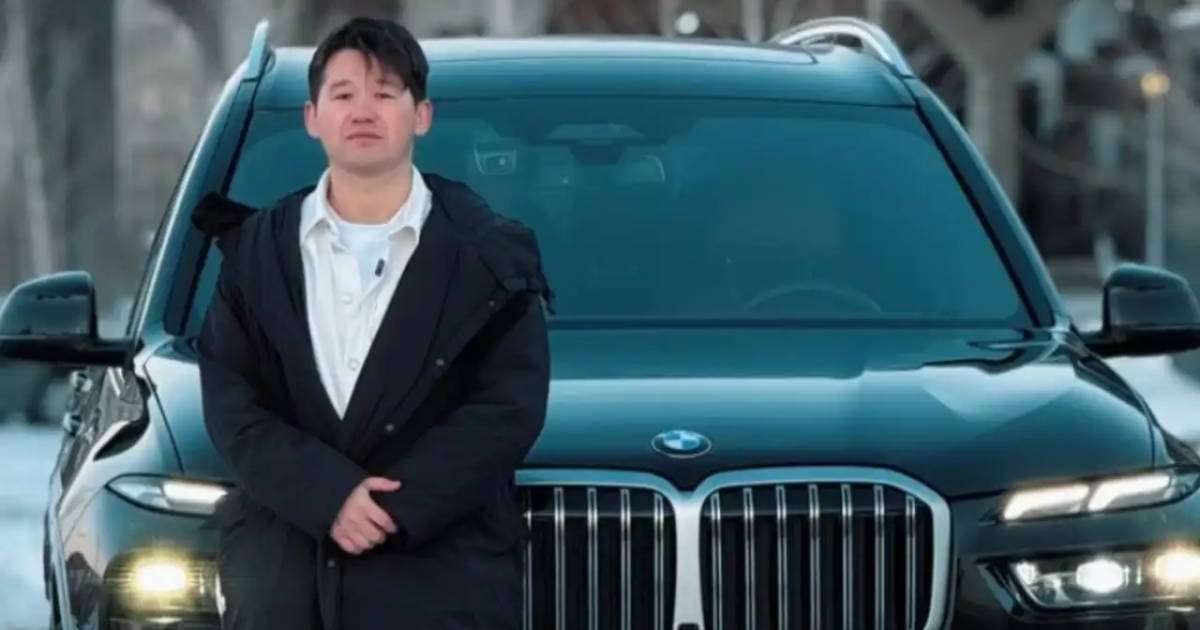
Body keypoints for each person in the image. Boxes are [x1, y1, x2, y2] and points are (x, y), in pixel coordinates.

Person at [192, 16, 553, 629]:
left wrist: (395, 507)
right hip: (284, 589)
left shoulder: (490, 259)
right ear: (312, 118)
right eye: (343, 93)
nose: (364, 109)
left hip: (440, 587)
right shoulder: (255, 255)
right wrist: (327, 496)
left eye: (385, 92)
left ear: (421, 115)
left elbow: (508, 407)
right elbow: (233, 402)